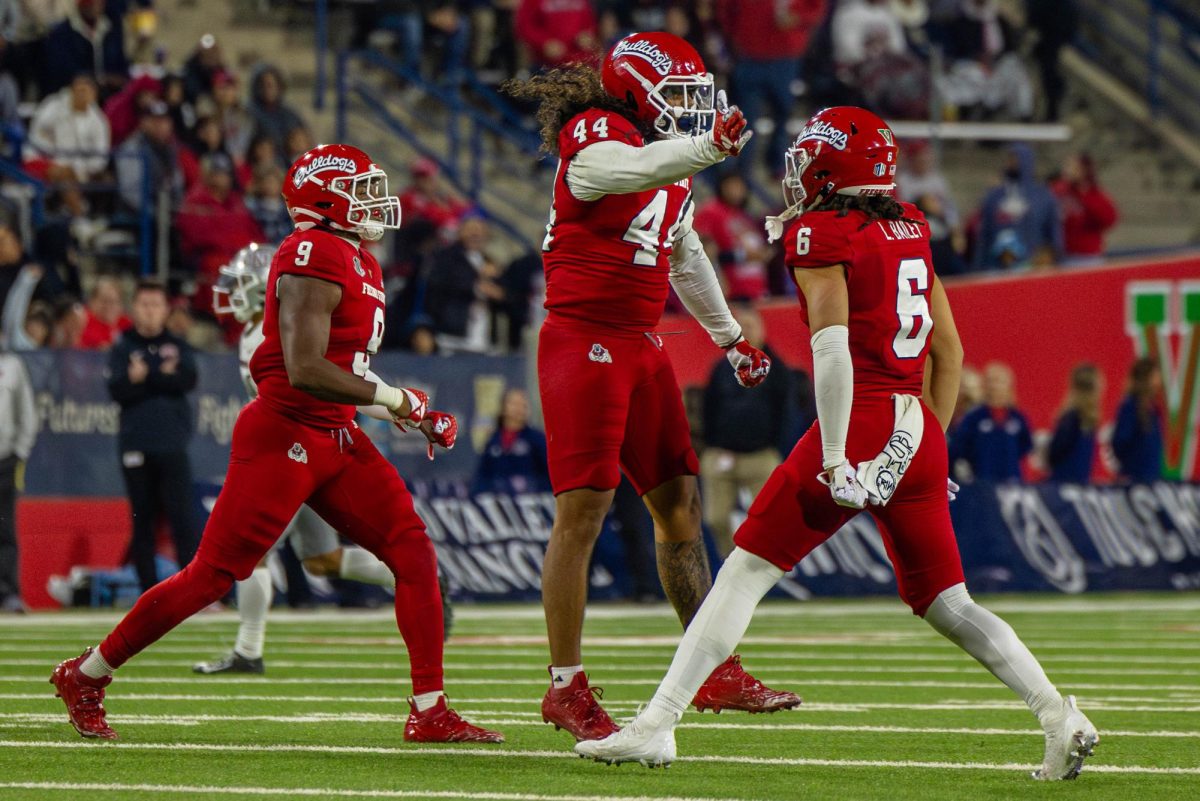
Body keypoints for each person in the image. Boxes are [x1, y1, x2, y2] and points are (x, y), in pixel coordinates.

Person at [575, 107, 1099, 781]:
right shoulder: (910, 226)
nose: (797, 172)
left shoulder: (823, 231)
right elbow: (950, 349)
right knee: (950, 601)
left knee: (745, 569)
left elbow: (831, 349)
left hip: (857, 418)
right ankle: (1058, 715)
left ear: (832, 167)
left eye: (808, 158)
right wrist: (924, 446)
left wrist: (835, 455)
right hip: (913, 422)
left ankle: (657, 723)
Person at [51, 144, 502, 745]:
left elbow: (342, 368)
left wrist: (406, 412)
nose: (374, 200)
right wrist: (399, 401)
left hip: (335, 432)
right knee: (211, 577)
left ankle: (430, 710)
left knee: (414, 552)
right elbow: (305, 368)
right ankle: (86, 674)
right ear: (326, 199)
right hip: (286, 432)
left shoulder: (356, 257)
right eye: (360, 189)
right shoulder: (310, 250)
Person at [504, 32, 799, 742]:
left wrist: (729, 337)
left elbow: (684, 250)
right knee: (585, 511)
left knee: (681, 505)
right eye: (680, 96)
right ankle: (565, 686)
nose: (692, 112)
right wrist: (702, 151)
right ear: (636, 91)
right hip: (583, 339)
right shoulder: (596, 134)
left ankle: (712, 670)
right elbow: (633, 167)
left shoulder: (669, 160)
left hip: (641, 345)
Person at [194, 243, 452, 674]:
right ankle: (416, 578)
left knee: (252, 556)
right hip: (296, 446)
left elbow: (337, 380)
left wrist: (399, 408)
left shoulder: (273, 330)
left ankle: (248, 650)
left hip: (293, 452)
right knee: (322, 562)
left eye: (241, 282)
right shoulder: (255, 331)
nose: (232, 292)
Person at [106, 280, 200, 593]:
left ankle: (192, 591)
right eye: (144, 304)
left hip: (173, 444)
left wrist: (146, 376)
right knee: (142, 520)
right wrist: (163, 375)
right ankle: (148, 593)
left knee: (182, 519)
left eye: (155, 305)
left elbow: (187, 379)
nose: (149, 311)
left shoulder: (177, 343)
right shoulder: (122, 346)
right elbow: (119, 390)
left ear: (165, 309)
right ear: (134, 309)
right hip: (136, 445)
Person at [701, 307, 790, 557]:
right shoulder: (721, 368)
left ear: (762, 330)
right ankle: (732, 564)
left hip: (760, 456)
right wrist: (710, 445)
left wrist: (778, 448)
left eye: (751, 326)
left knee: (770, 519)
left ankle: (760, 566)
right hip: (722, 454)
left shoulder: (778, 369)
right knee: (715, 518)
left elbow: (786, 411)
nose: (748, 332)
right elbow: (709, 407)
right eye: (743, 327)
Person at [974, 144, 1061, 271]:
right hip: (997, 266)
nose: (1011, 163)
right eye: (1009, 159)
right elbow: (984, 233)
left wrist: (1054, 257)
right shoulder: (995, 196)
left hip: (1032, 265)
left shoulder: (1043, 196)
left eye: (1015, 159)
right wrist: (978, 265)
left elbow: (1053, 231)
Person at [425, 216, 504, 353]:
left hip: (483, 337)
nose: (475, 234)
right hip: (453, 335)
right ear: (460, 232)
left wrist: (500, 294)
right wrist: (477, 286)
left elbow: (503, 295)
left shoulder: (490, 261)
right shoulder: (446, 257)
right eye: (471, 230)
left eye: (480, 230)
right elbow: (442, 285)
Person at [0, 336, 37, 613]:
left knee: (5, 529)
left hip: (4, 460)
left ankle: (8, 592)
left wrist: (19, 453)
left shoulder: (12, 365)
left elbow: (27, 413)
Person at [949, 361, 1032, 482]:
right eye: (991, 381)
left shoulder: (1018, 418)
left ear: (1009, 385)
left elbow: (1025, 446)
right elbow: (959, 447)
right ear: (984, 385)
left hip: (1011, 482)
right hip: (980, 483)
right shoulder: (974, 417)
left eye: (1000, 381)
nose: (995, 386)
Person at [693, 173, 770, 300]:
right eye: (732, 186)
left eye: (739, 186)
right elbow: (703, 252)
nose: (736, 191)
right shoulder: (711, 211)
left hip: (755, 288)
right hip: (729, 290)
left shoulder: (744, 215)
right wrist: (743, 256)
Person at [472, 387, 550, 494]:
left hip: (529, 502)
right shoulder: (493, 440)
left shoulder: (536, 439)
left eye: (523, 405)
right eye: (514, 404)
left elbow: (548, 474)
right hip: (499, 502)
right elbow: (482, 474)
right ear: (503, 407)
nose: (518, 409)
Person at [1049, 154, 1118, 267]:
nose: (1067, 170)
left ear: (1083, 171)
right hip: (1062, 255)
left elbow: (1109, 219)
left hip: (1087, 257)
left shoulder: (1095, 194)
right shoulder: (1059, 191)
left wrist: (1084, 196)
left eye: (1073, 167)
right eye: (1067, 166)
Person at [1046, 363, 1101, 484]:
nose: (1102, 387)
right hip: (1064, 486)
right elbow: (1054, 453)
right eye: (1099, 383)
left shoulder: (1088, 419)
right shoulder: (1072, 418)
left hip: (1079, 486)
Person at [1112, 357, 1164, 483]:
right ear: (1146, 378)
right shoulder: (1130, 405)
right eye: (1156, 376)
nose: (1159, 380)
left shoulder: (1154, 409)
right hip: (1134, 479)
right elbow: (1119, 441)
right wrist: (1130, 466)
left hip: (1152, 479)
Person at [79, 275, 130, 350]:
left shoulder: (127, 325)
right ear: (92, 301)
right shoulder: (80, 322)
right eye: (104, 301)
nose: (109, 306)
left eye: (114, 301)